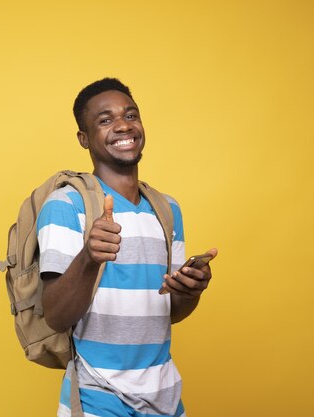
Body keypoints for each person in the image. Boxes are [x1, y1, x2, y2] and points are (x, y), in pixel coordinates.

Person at [36, 77, 217, 417]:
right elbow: (56, 316)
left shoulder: (166, 208)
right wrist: (89, 257)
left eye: (130, 115)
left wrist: (190, 290)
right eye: (105, 120)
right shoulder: (66, 205)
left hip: (165, 397)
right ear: (84, 138)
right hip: (97, 399)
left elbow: (170, 312)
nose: (123, 125)